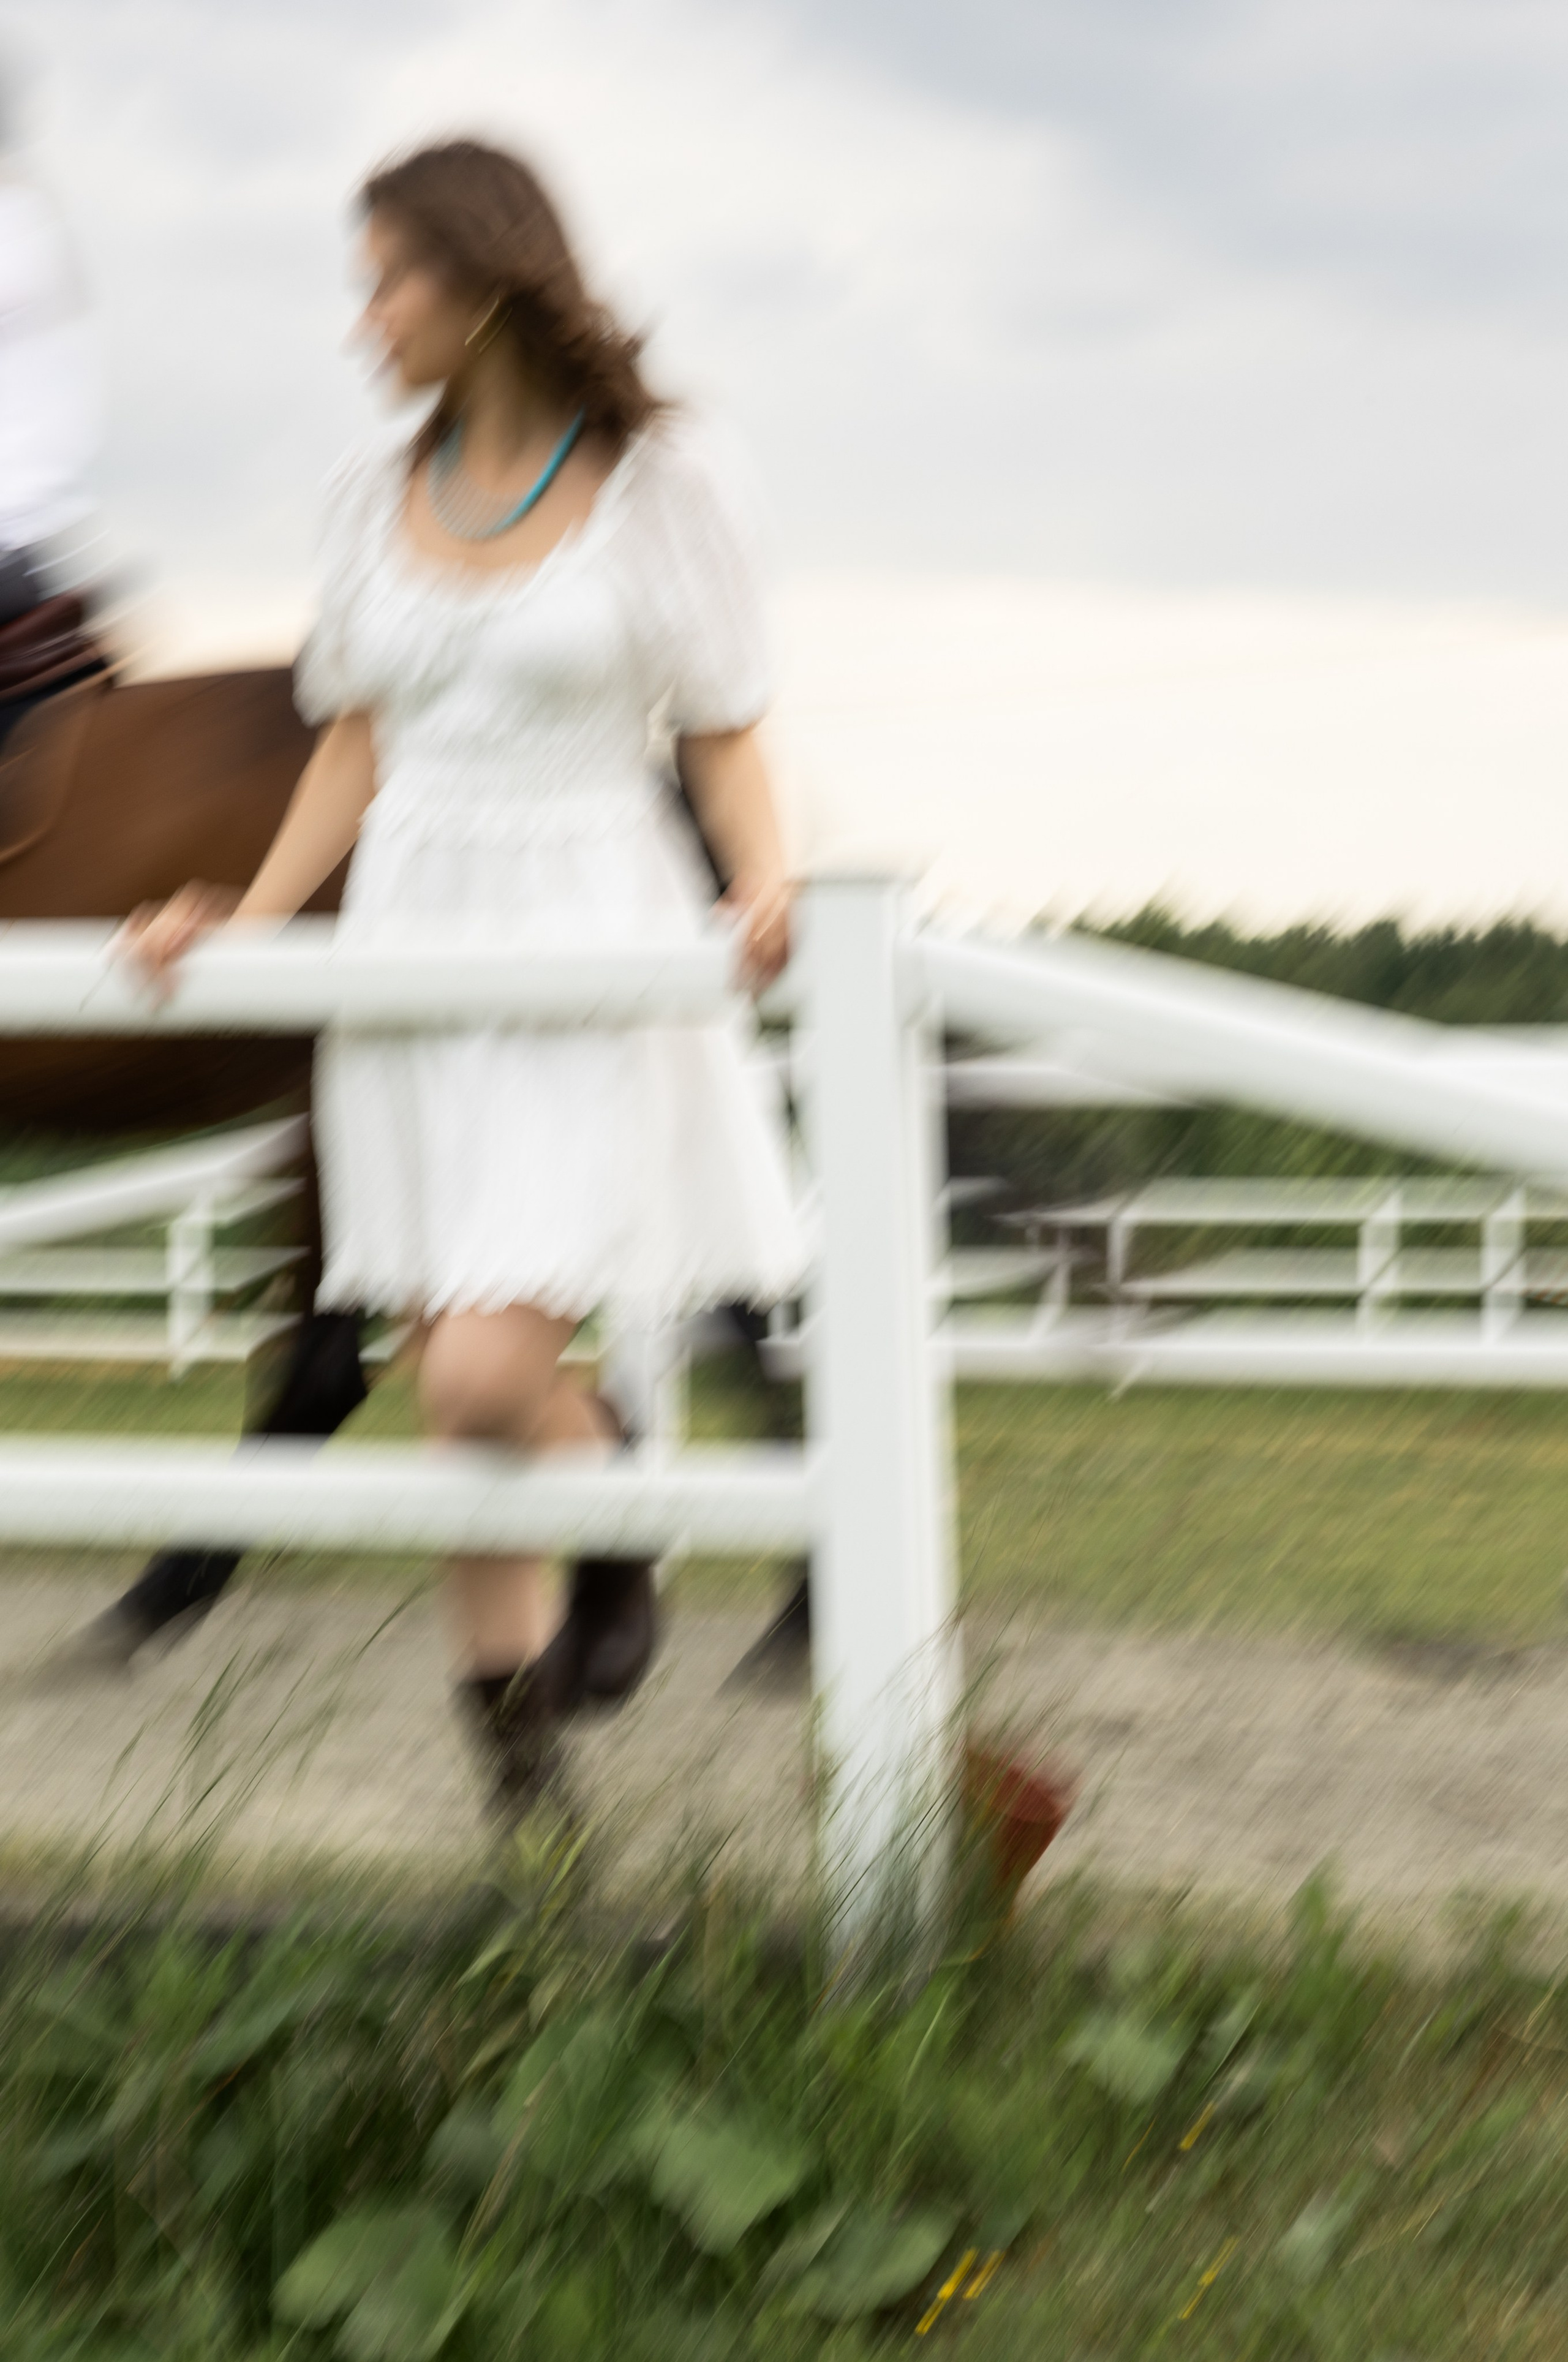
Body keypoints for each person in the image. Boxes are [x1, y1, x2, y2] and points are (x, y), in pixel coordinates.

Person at [121, 137, 804, 1816]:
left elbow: (721, 727)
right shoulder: (369, 502)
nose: (364, 324)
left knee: (491, 1379)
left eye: (385, 282)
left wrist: (769, 872)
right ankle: (529, 1819)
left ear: (487, 271)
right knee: (453, 1408)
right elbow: (356, 739)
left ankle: (624, 1497)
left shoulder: (661, 482)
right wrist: (255, 913)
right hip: (415, 942)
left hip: (588, 930)